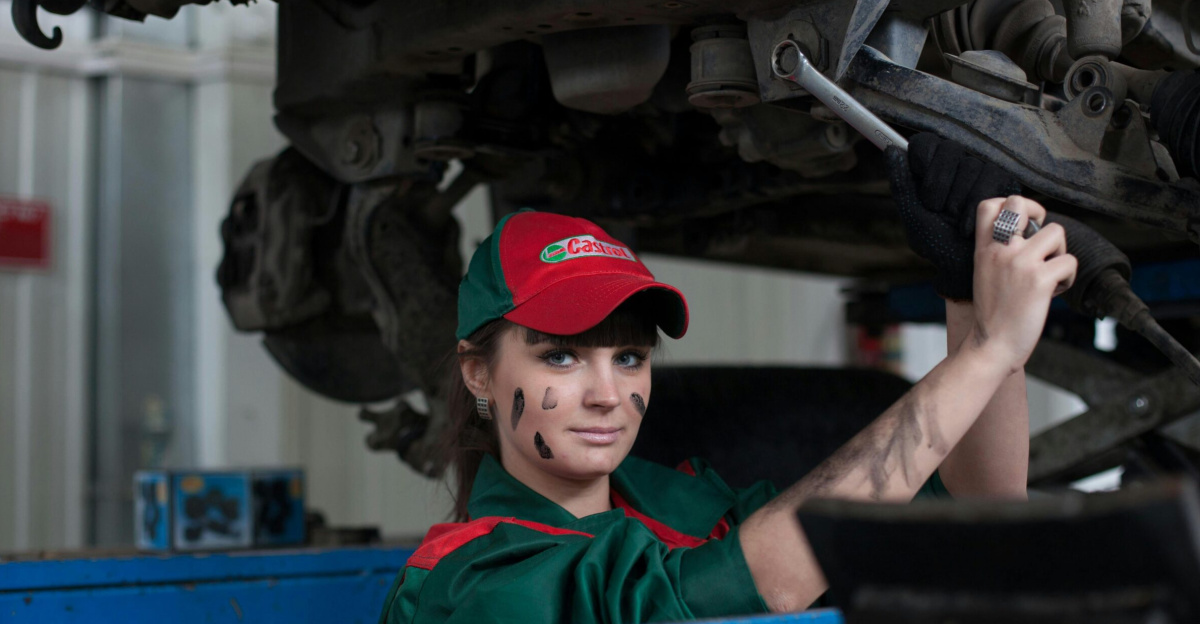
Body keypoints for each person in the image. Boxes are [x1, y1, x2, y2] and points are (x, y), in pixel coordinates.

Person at [377, 135, 1078, 623]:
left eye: (629, 358)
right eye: (560, 356)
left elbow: (976, 509)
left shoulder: (679, 503)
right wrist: (985, 351)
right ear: (478, 372)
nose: (607, 394)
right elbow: (750, 589)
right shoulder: (470, 584)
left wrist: (966, 294)